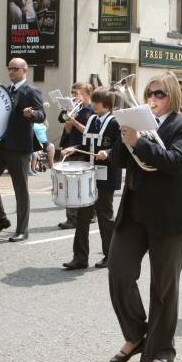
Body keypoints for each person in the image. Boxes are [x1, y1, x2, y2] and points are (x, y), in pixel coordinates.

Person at [107, 71, 182, 362]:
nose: (152, 99)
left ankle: (161, 350)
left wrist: (140, 142)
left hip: (170, 215)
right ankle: (136, 336)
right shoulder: (137, 122)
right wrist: (124, 137)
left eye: (159, 94)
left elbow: (177, 162)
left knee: (163, 287)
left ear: (172, 96)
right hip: (134, 211)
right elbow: (118, 162)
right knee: (119, 274)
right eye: (149, 93)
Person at [0, 58, 46, 242]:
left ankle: (22, 229)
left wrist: (32, 114)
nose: (11, 71)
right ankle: (1, 219)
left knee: (20, 189)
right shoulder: (4, 91)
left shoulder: (31, 91)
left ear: (25, 70)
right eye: (9, 68)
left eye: (15, 68)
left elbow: (42, 115)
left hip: (19, 148)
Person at [61, 88, 121, 269]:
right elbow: (86, 143)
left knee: (105, 216)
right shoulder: (92, 120)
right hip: (88, 172)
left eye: (97, 101)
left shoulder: (115, 122)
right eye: (93, 101)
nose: (93, 104)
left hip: (107, 173)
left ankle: (111, 256)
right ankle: (80, 257)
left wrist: (108, 152)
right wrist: (74, 147)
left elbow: (122, 147)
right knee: (82, 215)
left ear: (108, 105)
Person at [58, 83, 95, 230]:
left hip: (84, 150)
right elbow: (67, 131)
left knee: (78, 185)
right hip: (72, 148)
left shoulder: (91, 110)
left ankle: (76, 218)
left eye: (76, 93)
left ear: (87, 94)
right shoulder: (77, 109)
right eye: (72, 92)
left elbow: (89, 131)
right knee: (72, 184)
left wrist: (74, 121)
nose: (73, 96)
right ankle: (75, 217)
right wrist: (69, 117)